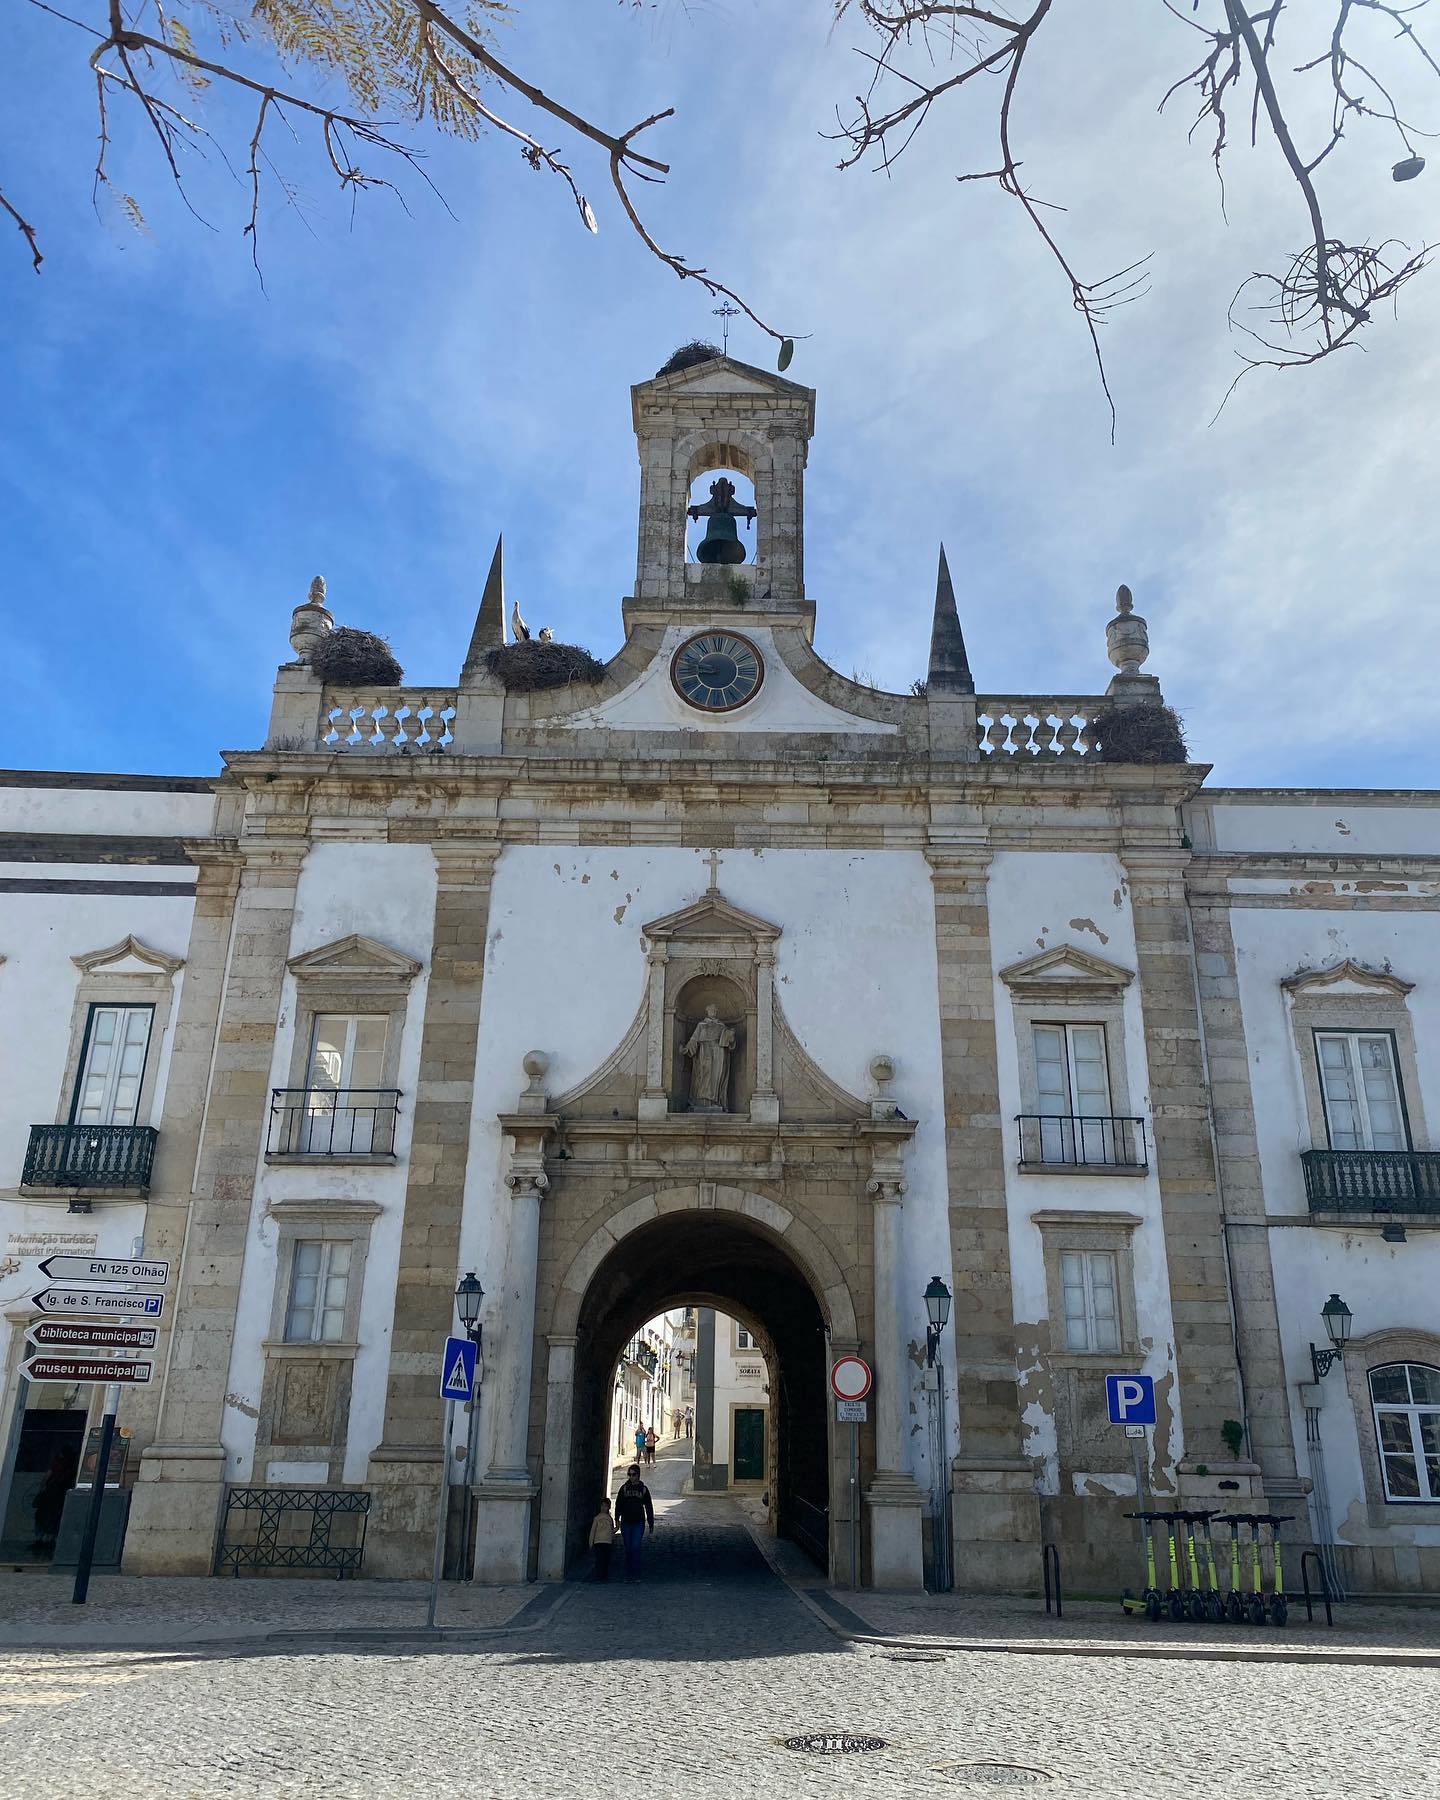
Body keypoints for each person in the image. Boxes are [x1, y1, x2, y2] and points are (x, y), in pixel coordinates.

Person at [613, 1463, 654, 1582]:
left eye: (633, 1474)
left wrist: (651, 1522)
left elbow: (648, 1506)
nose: (631, 1477)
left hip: (638, 1522)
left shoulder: (643, 1489)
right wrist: (617, 1519)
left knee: (635, 1547)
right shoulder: (624, 1488)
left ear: (638, 1475)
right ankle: (628, 1574)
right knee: (628, 1548)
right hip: (626, 1522)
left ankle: (636, 1574)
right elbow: (618, 1504)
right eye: (629, 1474)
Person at [587, 1496, 615, 1582]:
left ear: (609, 1507)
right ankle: (599, 1576)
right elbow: (593, 1531)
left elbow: (611, 1530)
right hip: (598, 1542)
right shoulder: (597, 1518)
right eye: (602, 1505)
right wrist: (591, 1542)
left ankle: (604, 1576)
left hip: (607, 1542)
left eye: (605, 1506)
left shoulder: (610, 1519)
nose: (603, 1508)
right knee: (600, 1560)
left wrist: (617, 1528)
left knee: (605, 1560)